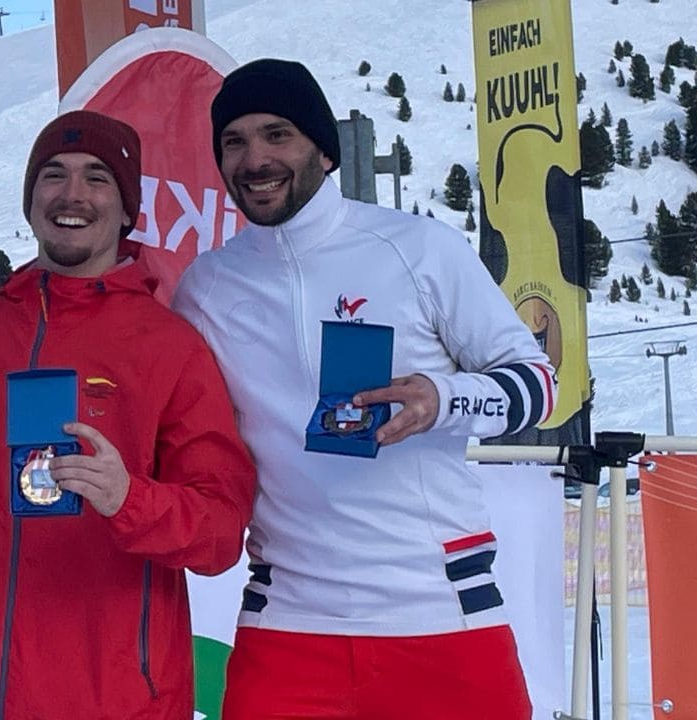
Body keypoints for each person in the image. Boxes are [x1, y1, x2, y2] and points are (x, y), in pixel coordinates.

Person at [172, 59, 557, 720]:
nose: (255, 158)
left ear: (322, 149)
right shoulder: (205, 287)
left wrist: (444, 400)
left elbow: (536, 382)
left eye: (277, 134)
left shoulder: (418, 248)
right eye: (234, 142)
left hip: (440, 617)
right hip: (287, 627)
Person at [0, 110, 256, 719]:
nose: (73, 194)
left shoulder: (169, 347)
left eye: (98, 177)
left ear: (128, 209)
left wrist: (130, 499)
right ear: (30, 200)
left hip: (116, 700)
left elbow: (220, 534)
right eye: (54, 174)